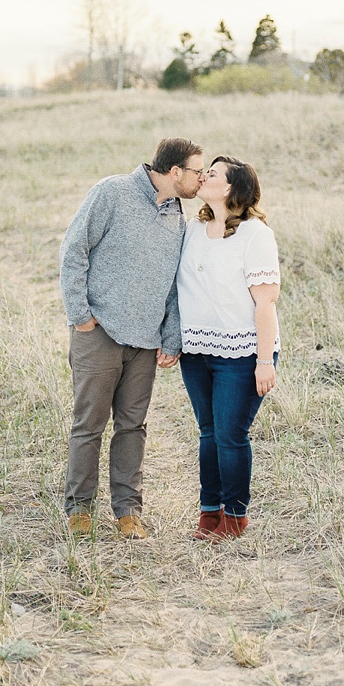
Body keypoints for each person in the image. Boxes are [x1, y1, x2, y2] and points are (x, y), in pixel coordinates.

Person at [60, 137, 205, 540]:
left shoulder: (178, 215)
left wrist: (171, 337)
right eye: (198, 171)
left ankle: (128, 511)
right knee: (89, 424)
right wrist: (81, 317)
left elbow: (176, 284)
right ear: (174, 172)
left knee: (132, 427)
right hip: (98, 334)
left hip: (145, 343)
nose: (202, 179)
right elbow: (73, 251)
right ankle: (79, 509)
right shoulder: (113, 192)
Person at [177, 156, 280, 541]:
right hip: (197, 349)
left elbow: (265, 303)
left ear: (231, 189)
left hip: (242, 352)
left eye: (213, 173)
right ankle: (209, 512)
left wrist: (264, 360)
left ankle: (235, 517)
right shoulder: (193, 228)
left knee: (230, 435)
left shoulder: (255, 235)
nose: (204, 175)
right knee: (208, 432)